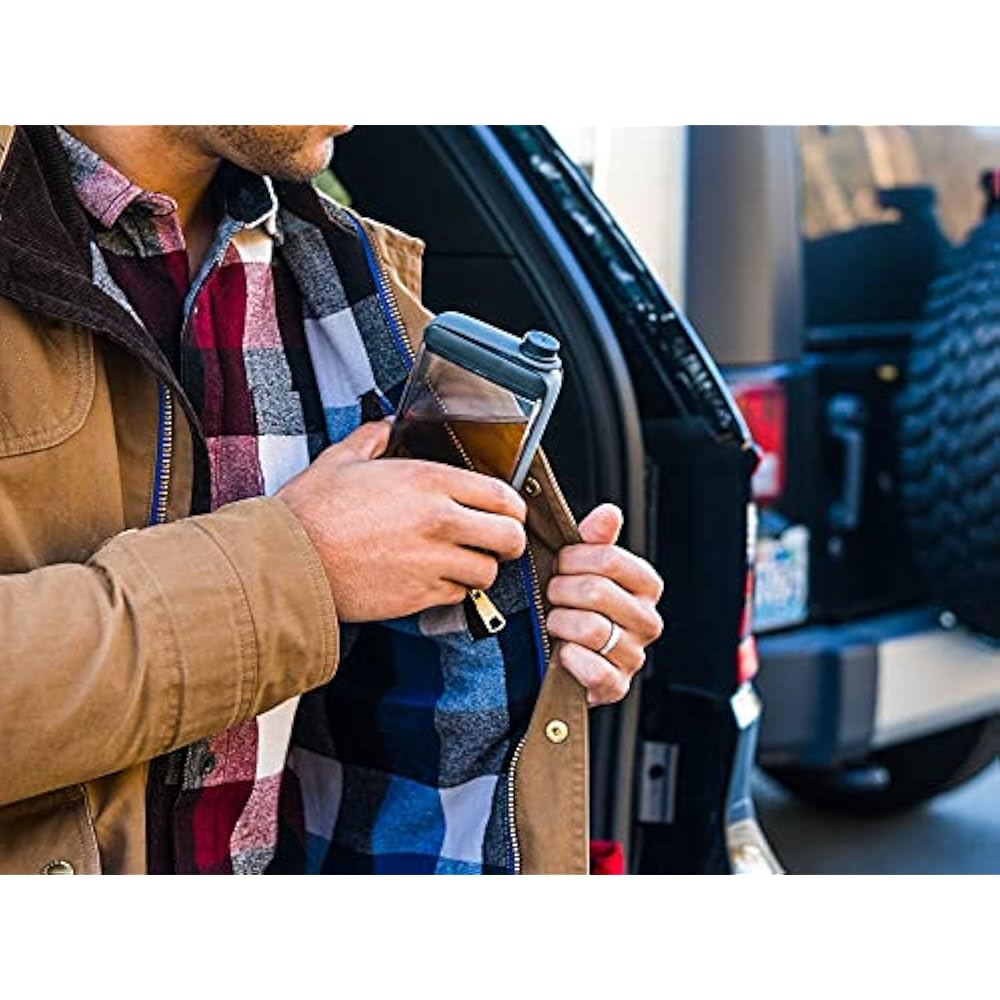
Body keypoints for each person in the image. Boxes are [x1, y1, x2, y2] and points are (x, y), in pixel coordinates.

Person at [0, 125, 664, 875]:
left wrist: (537, 629)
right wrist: (301, 569)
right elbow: (311, 570)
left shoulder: (344, 278)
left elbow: (364, 707)